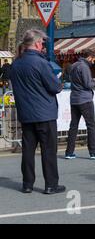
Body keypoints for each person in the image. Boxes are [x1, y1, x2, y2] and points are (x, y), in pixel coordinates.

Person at [10, 29, 65, 194]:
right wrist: (59, 81)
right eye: (42, 42)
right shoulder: (41, 63)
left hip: (26, 114)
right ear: (36, 43)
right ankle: (51, 185)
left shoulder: (16, 63)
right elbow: (55, 87)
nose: (43, 45)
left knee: (28, 150)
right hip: (44, 113)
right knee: (48, 150)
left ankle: (27, 184)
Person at [65, 49, 95, 160]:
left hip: (74, 99)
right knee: (91, 125)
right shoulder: (84, 67)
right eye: (94, 59)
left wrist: (93, 79)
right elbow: (87, 84)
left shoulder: (74, 65)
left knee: (73, 126)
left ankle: (69, 152)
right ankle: (93, 152)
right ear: (89, 57)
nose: (93, 62)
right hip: (85, 99)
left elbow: (79, 81)